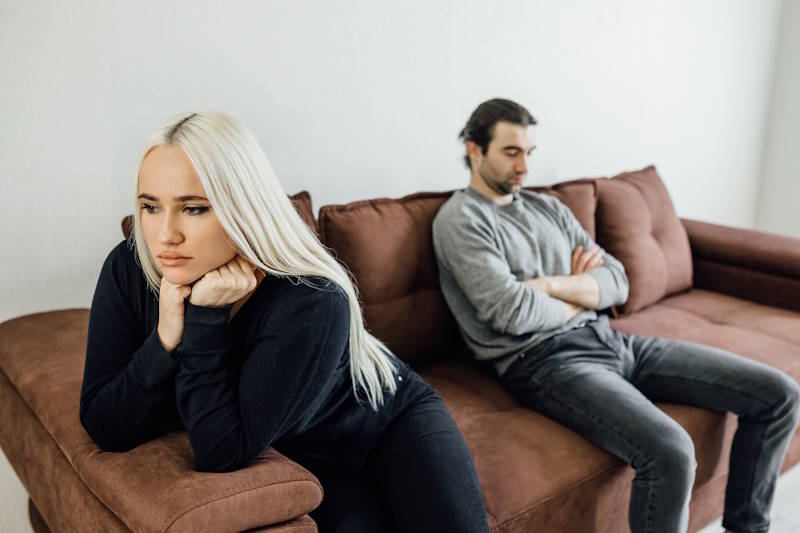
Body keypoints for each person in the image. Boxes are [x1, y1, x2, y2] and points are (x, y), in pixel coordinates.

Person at [80, 112, 490, 533]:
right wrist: (166, 339)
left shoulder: (311, 297)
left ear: (245, 207)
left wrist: (204, 318)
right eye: (150, 206)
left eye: (194, 208)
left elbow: (220, 447)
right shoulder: (129, 269)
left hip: (387, 427)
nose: (165, 234)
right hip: (298, 450)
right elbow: (109, 425)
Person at [431, 98, 800, 533]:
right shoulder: (461, 220)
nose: (524, 166)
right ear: (475, 150)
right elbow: (511, 312)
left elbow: (617, 282)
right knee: (670, 452)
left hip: (612, 339)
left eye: (529, 152)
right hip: (546, 362)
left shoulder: (548, 208)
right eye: (511, 152)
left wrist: (550, 286)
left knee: (778, 394)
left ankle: (748, 527)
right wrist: (583, 293)